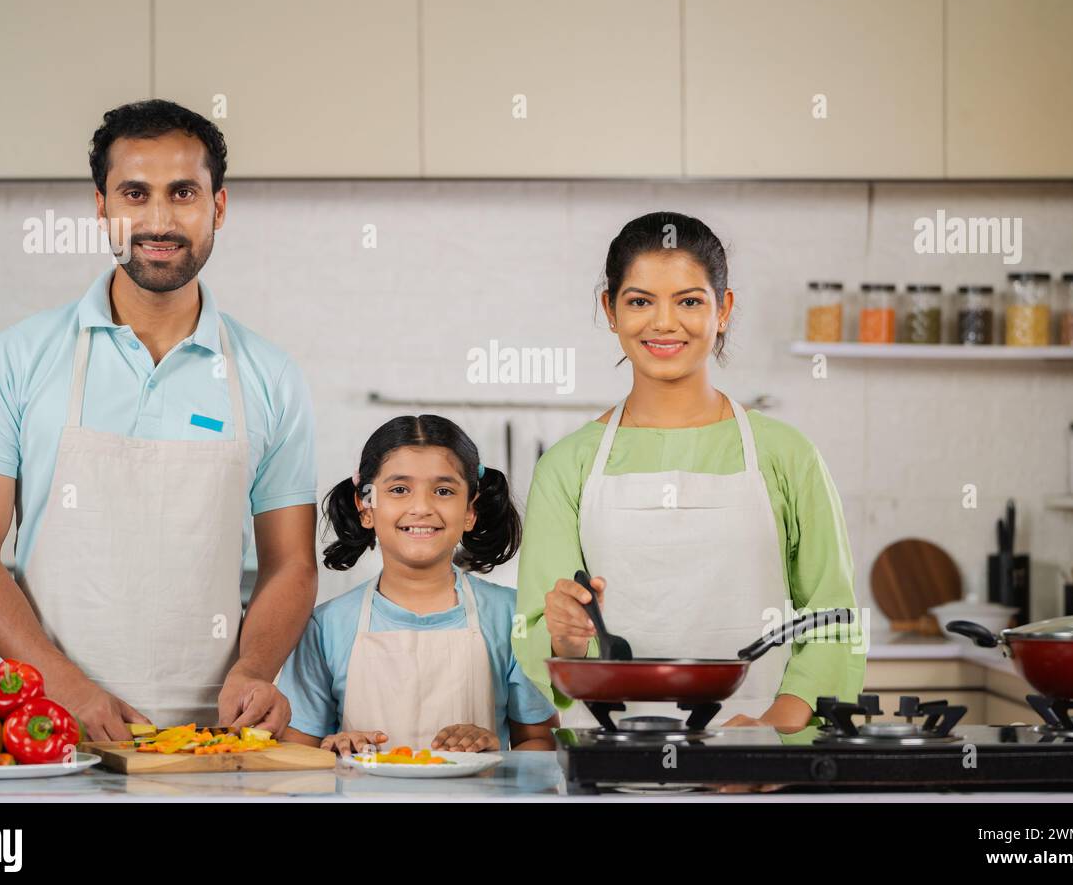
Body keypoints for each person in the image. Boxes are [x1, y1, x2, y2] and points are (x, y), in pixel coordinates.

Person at [0, 100, 318, 739]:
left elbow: (292, 565)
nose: (159, 219)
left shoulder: (271, 376)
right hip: (52, 731)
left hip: (210, 742)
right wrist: (67, 688)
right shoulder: (20, 357)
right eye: (135, 194)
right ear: (102, 206)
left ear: (218, 208)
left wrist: (255, 669)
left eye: (184, 193)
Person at [514, 211, 864, 730]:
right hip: (611, 763)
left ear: (722, 309)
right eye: (639, 301)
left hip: (757, 766)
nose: (663, 323)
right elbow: (538, 633)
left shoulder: (788, 455)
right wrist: (565, 638)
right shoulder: (566, 465)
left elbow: (834, 622)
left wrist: (768, 734)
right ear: (609, 310)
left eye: (689, 301)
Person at [279, 415, 557, 755]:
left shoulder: (512, 618)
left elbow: (540, 742)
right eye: (399, 490)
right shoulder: (324, 628)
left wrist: (494, 748)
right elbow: (295, 756)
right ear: (366, 506)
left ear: (470, 510)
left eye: (443, 491)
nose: (422, 507)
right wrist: (330, 750)